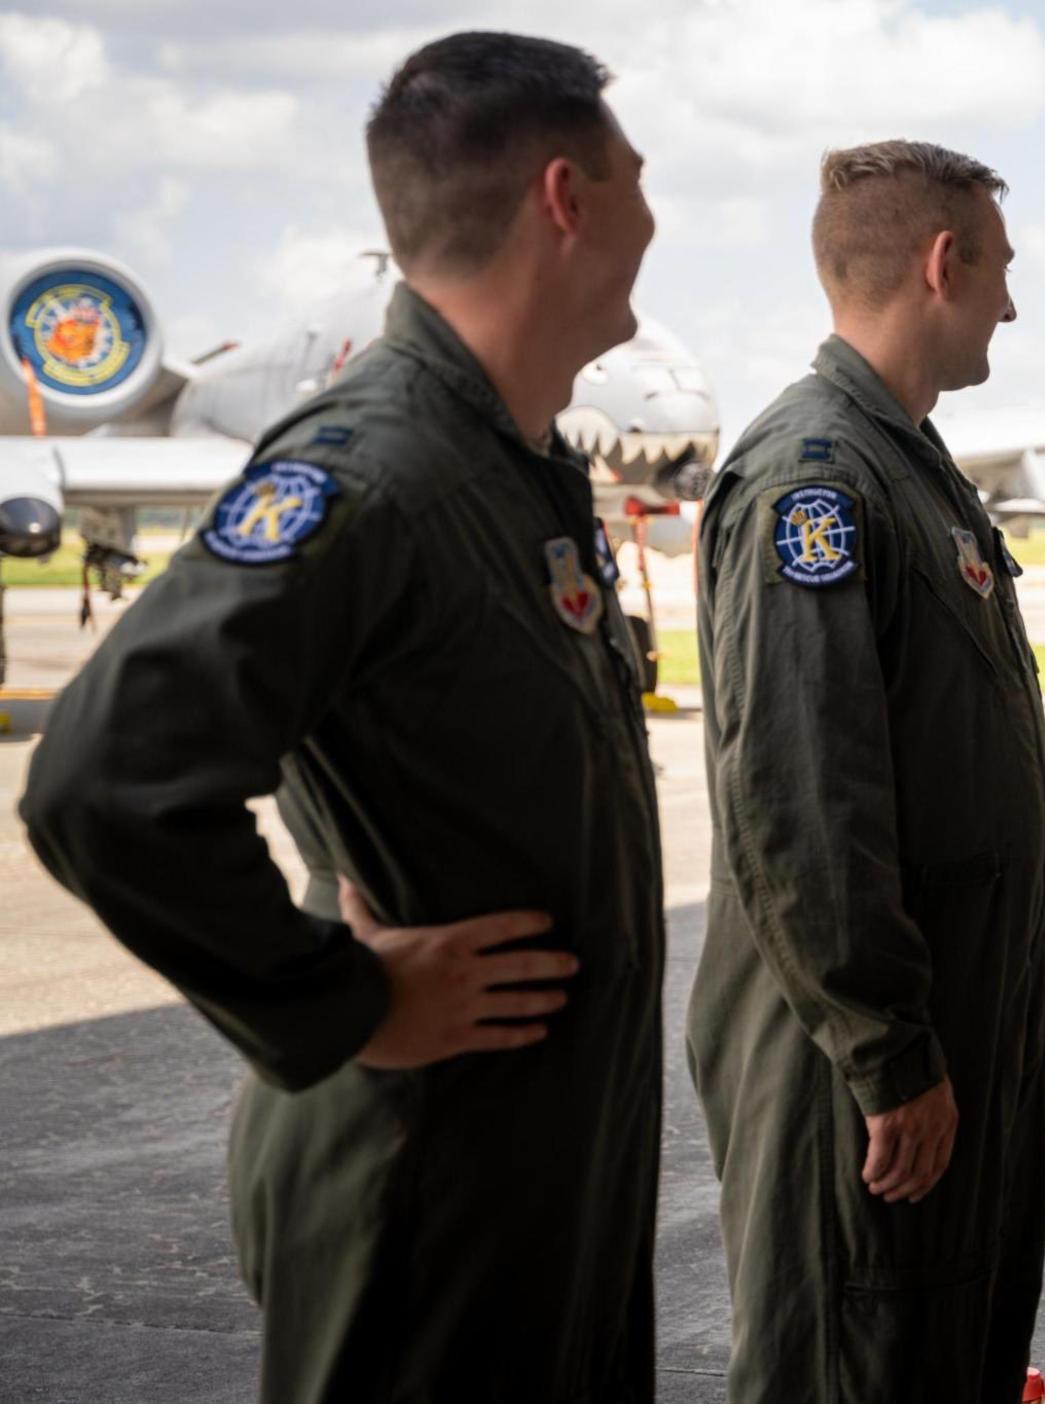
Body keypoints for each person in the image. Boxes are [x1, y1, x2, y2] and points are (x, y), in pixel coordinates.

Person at [20, 33, 666, 1402]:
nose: (655, 219)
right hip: (423, 1187)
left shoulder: (511, 468)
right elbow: (104, 783)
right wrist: (339, 997)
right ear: (566, 199)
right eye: (637, 181)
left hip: (536, 1172)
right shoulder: (376, 472)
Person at [687, 140, 1045, 1404]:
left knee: (944, 1353)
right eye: (1000, 272)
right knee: (854, 1360)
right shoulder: (818, 475)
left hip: (952, 1034)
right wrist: (885, 1049)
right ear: (942, 263)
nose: (1009, 305)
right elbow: (801, 798)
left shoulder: (909, 464)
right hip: (857, 1066)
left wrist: (1025, 1019)